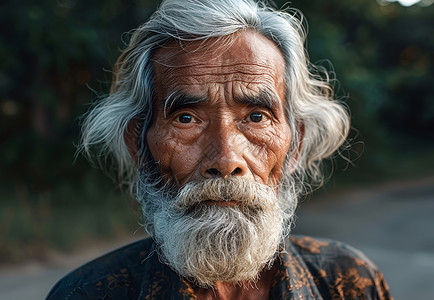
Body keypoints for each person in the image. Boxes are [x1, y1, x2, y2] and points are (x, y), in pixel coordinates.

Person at [47, 0, 393, 299]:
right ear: (137, 144)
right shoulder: (88, 293)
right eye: (186, 118)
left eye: (256, 116)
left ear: (296, 144)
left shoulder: (349, 284)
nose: (226, 160)